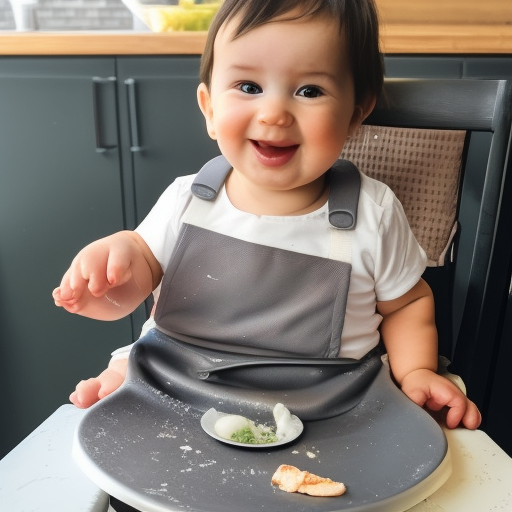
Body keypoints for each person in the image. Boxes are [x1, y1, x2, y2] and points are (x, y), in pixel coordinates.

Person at [54, 0, 481, 430]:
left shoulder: (373, 213)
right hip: (177, 381)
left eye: (309, 91)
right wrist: (107, 284)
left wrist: (416, 373)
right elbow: (136, 277)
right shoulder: (189, 200)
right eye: (248, 86)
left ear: (355, 114)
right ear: (209, 109)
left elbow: (407, 304)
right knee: (116, 423)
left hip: (325, 407)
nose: (274, 113)